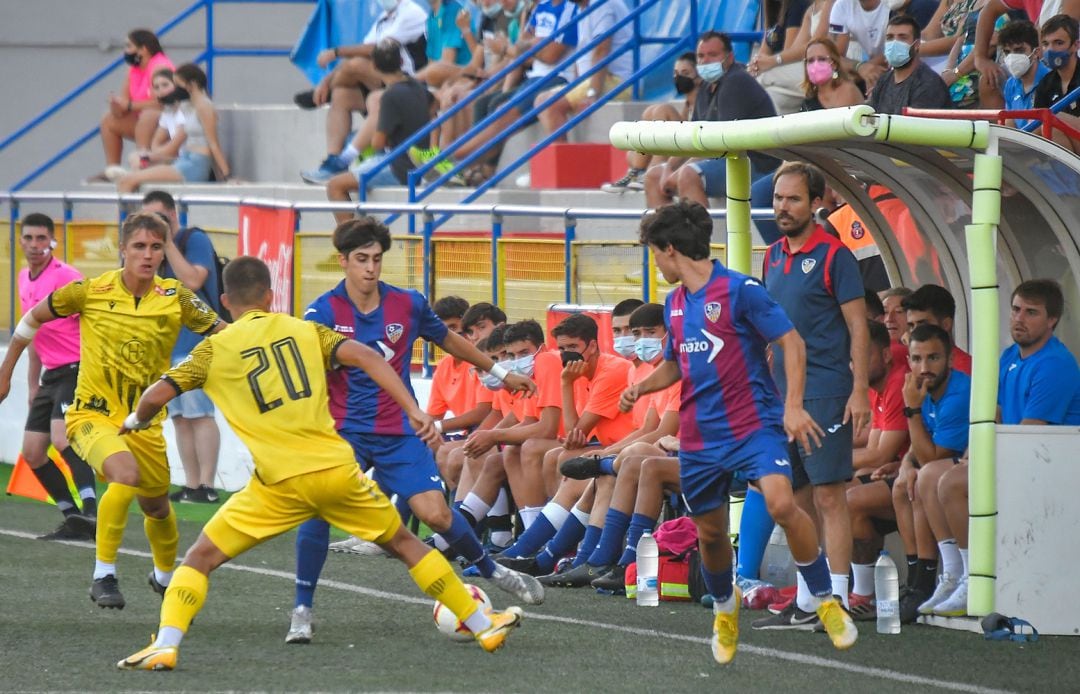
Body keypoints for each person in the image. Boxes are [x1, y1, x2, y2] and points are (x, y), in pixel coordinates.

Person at [114, 256, 524, 671]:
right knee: (404, 543)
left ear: (224, 301)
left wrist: (135, 421)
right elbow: (367, 357)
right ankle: (482, 624)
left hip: (276, 484)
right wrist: (411, 409)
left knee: (200, 558)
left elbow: (155, 396)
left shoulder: (211, 350)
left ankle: (166, 643)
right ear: (271, 296)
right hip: (335, 470)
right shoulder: (306, 331)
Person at [287, 217, 542, 645]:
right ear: (343, 261)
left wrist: (498, 370)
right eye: (361, 259)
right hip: (344, 432)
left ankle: (492, 571)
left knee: (436, 514)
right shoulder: (323, 312)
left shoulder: (407, 303)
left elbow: (449, 340)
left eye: (377, 259)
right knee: (320, 508)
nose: (370, 268)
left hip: (399, 432)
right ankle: (302, 609)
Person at [621, 201, 857, 664]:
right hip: (700, 437)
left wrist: (792, 407)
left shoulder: (741, 289)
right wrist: (641, 388)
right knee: (710, 535)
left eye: (655, 253)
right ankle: (726, 612)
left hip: (755, 425)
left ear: (670, 250)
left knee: (782, 501)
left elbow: (791, 341)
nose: (655, 263)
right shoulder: (673, 304)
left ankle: (826, 600)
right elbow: (675, 363)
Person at [0, 212, 224, 610]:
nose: (148, 255)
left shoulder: (176, 297)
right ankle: (103, 574)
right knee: (124, 473)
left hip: (145, 423)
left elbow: (224, 333)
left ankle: (163, 574)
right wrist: (6, 374)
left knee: (156, 506)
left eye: (156, 247)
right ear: (122, 250)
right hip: (92, 415)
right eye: (139, 246)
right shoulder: (89, 291)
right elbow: (32, 319)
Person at [753, 160, 870, 628]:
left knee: (827, 497)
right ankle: (809, 597)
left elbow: (859, 327)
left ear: (816, 202)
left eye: (793, 198)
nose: (782, 207)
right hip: (784, 396)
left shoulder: (834, 255)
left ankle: (836, 600)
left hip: (825, 391)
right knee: (795, 498)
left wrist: (859, 389)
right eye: (779, 198)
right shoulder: (772, 255)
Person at [13, 213, 98, 541]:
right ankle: (73, 517)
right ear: (20, 242)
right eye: (29, 238)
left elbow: (92, 319)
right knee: (33, 452)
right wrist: (33, 383)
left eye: (41, 239)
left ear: (53, 242)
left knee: (63, 438)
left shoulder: (67, 277)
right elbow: (31, 331)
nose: (35, 245)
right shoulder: (24, 278)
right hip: (51, 374)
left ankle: (92, 513)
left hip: (76, 367)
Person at [141, 191, 222, 503]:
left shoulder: (193, 240)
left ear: (173, 216)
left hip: (196, 341)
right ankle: (191, 484)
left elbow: (194, 281)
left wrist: (169, 244)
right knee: (178, 416)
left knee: (199, 412)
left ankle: (207, 484)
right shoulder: (149, 251)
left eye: (160, 219)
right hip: (164, 343)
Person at [644, 32, 780, 211]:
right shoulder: (706, 87)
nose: (706, 61)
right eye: (701, 56)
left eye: (713, 55)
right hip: (726, 160)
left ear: (729, 57)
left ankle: (698, 237)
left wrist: (678, 172)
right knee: (654, 176)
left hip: (757, 166)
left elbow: (721, 145)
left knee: (688, 174)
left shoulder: (736, 81)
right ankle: (664, 237)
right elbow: (691, 138)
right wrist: (669, 167)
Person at [297, 0, 429, 182]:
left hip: (409, 83)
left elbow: (378, 49)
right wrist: (325, 82)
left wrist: (336, 52)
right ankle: (334, 161)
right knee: (341, 96)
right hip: (386, 82)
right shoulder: (384, 18)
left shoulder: (411, 13)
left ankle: (346, 158)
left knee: (367, 84)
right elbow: (361, 51)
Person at [893, 323, 971, 621]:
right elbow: (922, 447)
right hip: (947, 468)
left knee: (926, 476)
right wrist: (905, 463)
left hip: (976, 468)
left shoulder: (958, 391)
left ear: (950, 359)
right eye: (916, 359)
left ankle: (961, 574)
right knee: (904, 484)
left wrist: (912, 410)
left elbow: (932, 456)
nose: (924, 367)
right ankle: (924, 581)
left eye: (933, 358)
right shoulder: (923, 388)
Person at [322, 39, 435, 223]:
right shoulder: (417, 86)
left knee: (335, 186)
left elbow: (377, 143)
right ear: (400, 62)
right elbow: (434, 106)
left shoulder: (390, 96)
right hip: (418, 160)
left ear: (373, 66)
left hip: (400, 166)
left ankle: (351, 240)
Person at [845, 319, 910, 619]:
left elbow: (880, 452)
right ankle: (862, 592)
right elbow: (873, 450)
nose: (855, 366)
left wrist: (829, 460)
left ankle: (865, 592)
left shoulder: (897, 382)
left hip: (913, 475)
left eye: (863, 357)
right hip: (896, 472)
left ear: (885, 355)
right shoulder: (873, 386)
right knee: (837, 492)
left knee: (848, 499)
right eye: (852, 358)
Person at [117, 64, 232, 192]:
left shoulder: (204, 106)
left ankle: (126, 213)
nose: (175, 89)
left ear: (192, 84)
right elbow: (166, 104)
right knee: (131, 173)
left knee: (128, 180)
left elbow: (213, 144)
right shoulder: (189, 105)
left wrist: (226, 176)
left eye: (178, 85)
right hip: (185, 159)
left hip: (195, 165)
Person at [534, 0, 634, 140]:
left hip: (618, 81)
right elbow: (582, 56)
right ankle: (565, 160)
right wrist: (576, 86)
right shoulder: (582, 8)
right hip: (599, 80)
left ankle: (564, 161)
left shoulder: (602, 4)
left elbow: (601, 50)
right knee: (542, 99)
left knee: (548, 104)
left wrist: (592, 93)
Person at [602, 53, 699, 193]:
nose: (679, 78)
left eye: (685, 73)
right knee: (649, 114)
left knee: (663, 110)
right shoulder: (687, 103)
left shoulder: (703, 97)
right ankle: (638, 172)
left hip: (692, 154)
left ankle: (645, 173)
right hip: (679, 151)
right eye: (676, 73)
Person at [92, 29, 174, 181]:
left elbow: (162, 103)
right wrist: (116, 105)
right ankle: (112, 170)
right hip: (144, 122)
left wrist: (129, 106)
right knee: (109, 119)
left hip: (168, 122)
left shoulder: (160, 66)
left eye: (129, 46)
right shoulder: (133, 69)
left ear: (143, 49)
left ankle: (141, 166)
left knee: (148, 116)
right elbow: (124, 105)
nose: (125, 51)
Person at [752, 0, 837, 115]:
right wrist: (758, 63)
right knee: (772, 95)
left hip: (826, 67)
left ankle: (748, 85)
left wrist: (772, 61)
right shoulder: (810, 10)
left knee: (763, 75)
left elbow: (816, 45)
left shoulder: (829, 3)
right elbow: (795, 50)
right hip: (808, 66)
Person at [868, 14, 952, 113]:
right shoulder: (884, 80)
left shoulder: (928, 84)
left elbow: (913, 126)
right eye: (890, 38)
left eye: (902, 38)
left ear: (916, 45)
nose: (895, 43)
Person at [1033, 14, 1080, 154]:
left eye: (1058, 43)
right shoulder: (1045, 82)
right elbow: (1034, 125)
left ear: (1076, 45)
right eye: (1046, 44)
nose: (1050, 50)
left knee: (1053, 120)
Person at [998, 19, 1050, 128]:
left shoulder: (1051, 81)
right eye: (1007, 52)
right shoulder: (1010, 84)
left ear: (1036, 52)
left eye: (1019, 50)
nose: (1012, 57)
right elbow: (1009, 125)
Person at [801, 37, 867, 109]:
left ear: (834, 64)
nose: (815, 65)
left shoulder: (848, 91)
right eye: (811, 60)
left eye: (822, 59)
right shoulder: (810, 98)